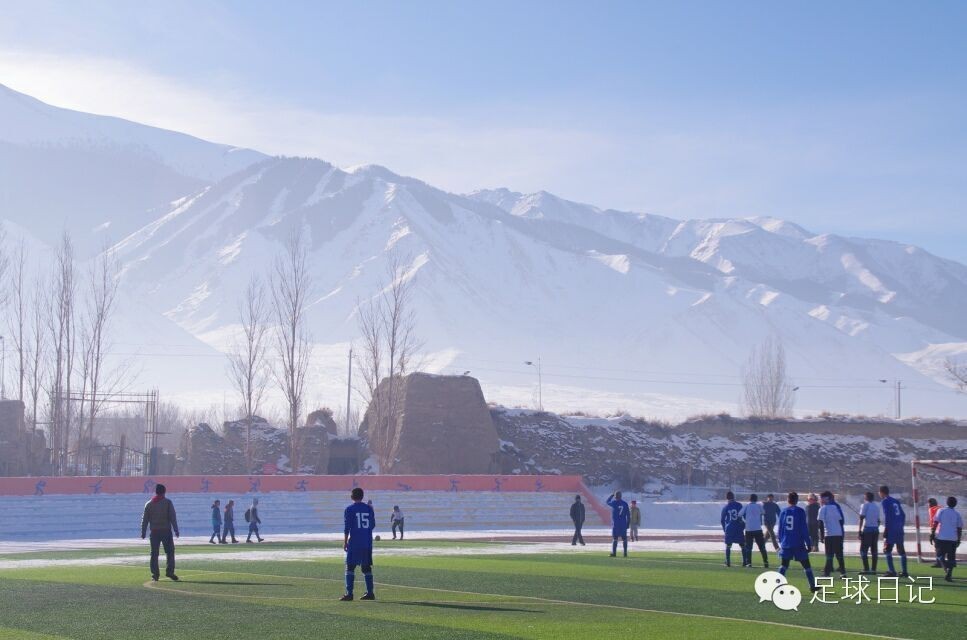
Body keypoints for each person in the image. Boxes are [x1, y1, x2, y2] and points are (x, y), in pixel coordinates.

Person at [341, 487, 376, 600]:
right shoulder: (369, 508)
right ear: (362, 496)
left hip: (355, 542)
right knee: (366, 567)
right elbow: (372, 525)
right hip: (367, 542)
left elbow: (347, 527)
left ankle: (349, 593)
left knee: (350, 567)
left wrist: (345, 542)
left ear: (352, 497)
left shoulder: (349, 509)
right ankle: (370, 593)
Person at [778, 492, 817, 593]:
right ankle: (812, 585)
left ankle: (778, 585)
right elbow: (804, 528)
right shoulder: (800, 511)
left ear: (788, 500)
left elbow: (780, 528)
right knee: (806, 565)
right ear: (797, 500)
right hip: (798, 543)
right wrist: (808, 543)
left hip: (786, 543)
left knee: (784, 565)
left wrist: (781, 541)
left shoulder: (783, 511)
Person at [140, 483, 179, 582]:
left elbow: (145, 519)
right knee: (170, 552)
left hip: (154, 532)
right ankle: (170, 572)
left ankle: (155, 574)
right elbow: (172, 517)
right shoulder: (168, 503)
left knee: (154, 554)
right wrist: (176, 529)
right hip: (166, 531)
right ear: (164, 492)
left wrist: (143, 531)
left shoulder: (149, 504)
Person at [931, 496, 963, 582]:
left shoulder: (941, 510)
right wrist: (959, 539)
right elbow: (959, 528)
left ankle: (944, 566)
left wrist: (932, 533)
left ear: (947, 502)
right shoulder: (957, 514)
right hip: (953, 538)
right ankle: (949, 574)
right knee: (951, 558)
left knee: (939, 554)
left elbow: (936, 522)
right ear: (955, 504)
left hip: (942, 537)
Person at [879, 485, 908, 578]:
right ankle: (904, 572)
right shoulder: (895, 501)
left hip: (891, 529)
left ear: (882, 492)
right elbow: (903, 515)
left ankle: (892, 571)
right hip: (899, 529)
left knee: (887, 549)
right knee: (901, 550)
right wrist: (900, 525)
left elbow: (888, 516)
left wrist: (886, 529)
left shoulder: (885, 501)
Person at [817, 490, 846, 577]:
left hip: (829, 534)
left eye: (821, 498)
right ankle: (843, 573)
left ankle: (827, 573)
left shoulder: (823, 508)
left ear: (826, 499)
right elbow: (841, 521)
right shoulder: (835, 507)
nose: (820, 500)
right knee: (839, 554)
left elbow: (820, 523)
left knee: (829, 554)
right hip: (838, 534)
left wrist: (821, 535)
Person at [740, 493, 768, 568]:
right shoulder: (759, 505)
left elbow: (739, 514)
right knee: (762, 547)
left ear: (750, 499)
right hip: (758, 529)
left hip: (748, 529)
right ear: (756, 499)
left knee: (748, 547)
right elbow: (764, 512)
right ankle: (765, 562)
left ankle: (749, 563)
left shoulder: (747, 505)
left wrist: (745, 520)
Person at [858, 491, 880, 574]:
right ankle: (873, 569)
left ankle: (866, 569)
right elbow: (878, 521)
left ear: (866, 498)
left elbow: (861, 518)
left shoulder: (865, 505)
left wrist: (859, 531)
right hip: (875, 530)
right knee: (874, 550)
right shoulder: (876, 506)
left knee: (863, 550)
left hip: (867, 530)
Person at [721, 491, 745, 567]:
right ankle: (744, 561)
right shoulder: (739, 505)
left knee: (728, 545)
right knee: (742, 545)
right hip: (738, 527)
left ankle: (728, 562)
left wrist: (725, 530)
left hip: (729, 528)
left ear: (726, 498)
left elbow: (722, 520)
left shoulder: (726, 507)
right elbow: (743, 516)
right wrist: (743, 526)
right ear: (734, 497)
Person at [606, 491, 630, 557]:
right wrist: (628, 524)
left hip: (616, 524)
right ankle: (625, 553)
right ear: (621, 496)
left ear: (616, 496)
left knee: (615, 538)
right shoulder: (625, 504)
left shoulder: (614, 503)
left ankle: (614, 553)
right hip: (623, 524)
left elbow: (607, 501)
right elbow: (628, 515)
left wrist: (611, 495)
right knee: (624, 538)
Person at [927, 498, 944, 568]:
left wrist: (932, 531)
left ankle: (939, 562)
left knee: (937, 547)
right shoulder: (941, 508)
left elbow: (933, 521)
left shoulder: (931, 509)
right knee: (941, 547)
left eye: (929, 503)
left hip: (936, 530)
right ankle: (941, 561)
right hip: (943, 530)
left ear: (931, 503)